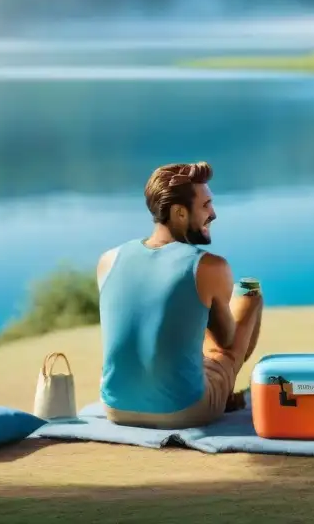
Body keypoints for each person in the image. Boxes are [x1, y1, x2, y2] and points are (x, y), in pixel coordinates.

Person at [96, 161, 263, 429]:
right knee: (248, 302)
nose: (214, 214)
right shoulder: (209, 265)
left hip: (115, 408)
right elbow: (227, 342)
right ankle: (221, 395)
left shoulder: (108, 259)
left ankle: (212, 391)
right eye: (206, 205)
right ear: (179, 213)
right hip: (183, 411)